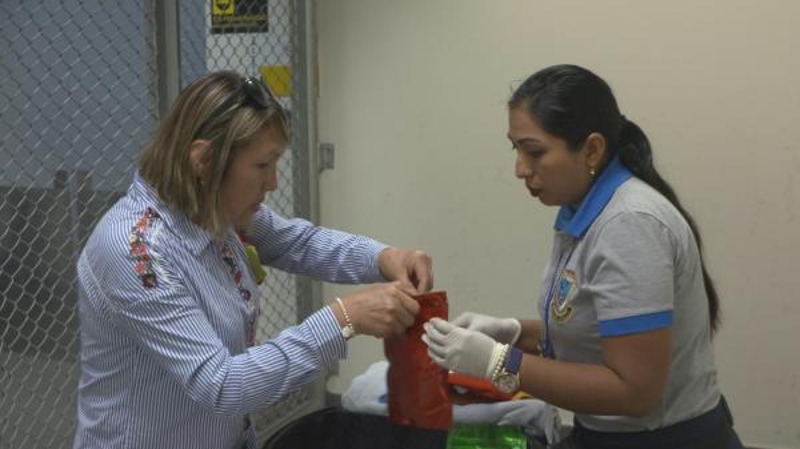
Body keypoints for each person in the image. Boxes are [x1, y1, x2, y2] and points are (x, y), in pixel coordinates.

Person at [73, 71, 432, 449]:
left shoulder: (210, 208)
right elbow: (221, 385)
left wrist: (384, 257)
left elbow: (297, 241)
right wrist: (343, 319)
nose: (273, 182)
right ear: (204, 159)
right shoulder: (136, 251)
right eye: (262, 165)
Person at [422, 64, 743, 449]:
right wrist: (515, 333)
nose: (520, 169)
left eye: (535, 152)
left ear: (592, 149)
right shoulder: (583, 212)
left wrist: (498, 362)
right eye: (516, 148)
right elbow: (597, 332)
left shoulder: (629, 224)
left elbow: (635, 393)